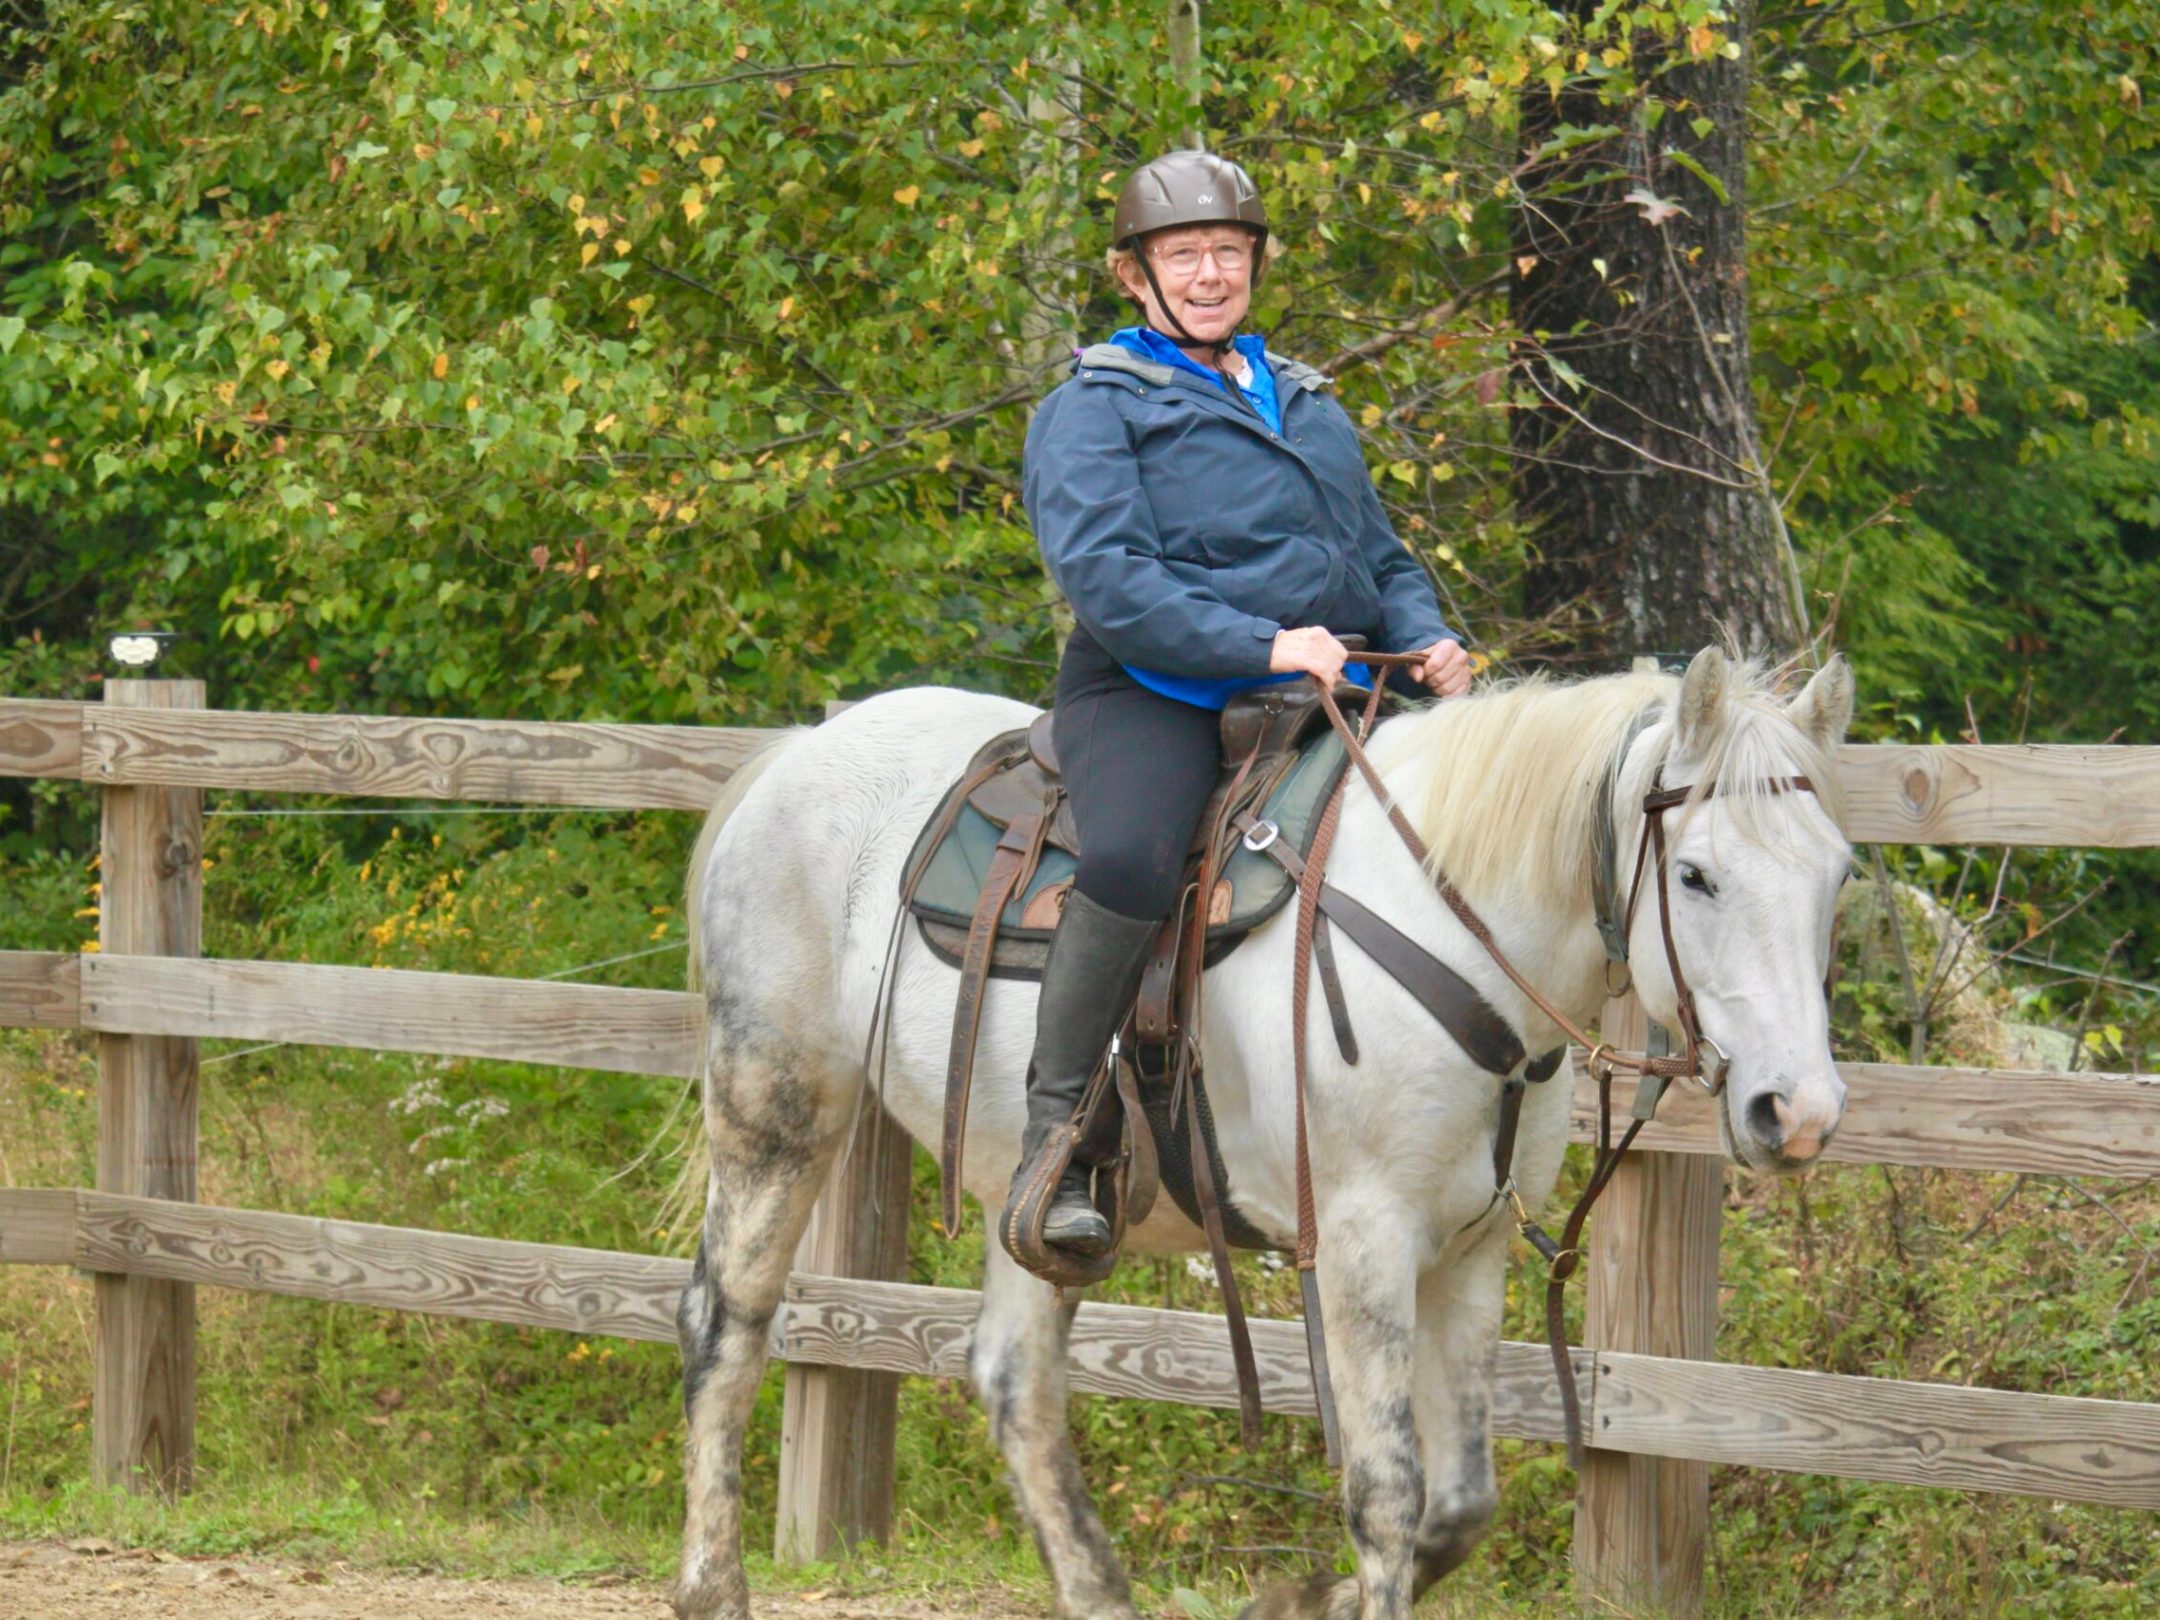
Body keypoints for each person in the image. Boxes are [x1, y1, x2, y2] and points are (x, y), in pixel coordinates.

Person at [1006, 150, 1473, 1268]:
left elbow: (1379, 556)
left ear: (1256, 262)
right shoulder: (1093, 408)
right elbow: (1108, 577)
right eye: (1184, 255)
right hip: (1155, 686)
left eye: (1228, 251)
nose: (1210, 273)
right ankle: (1058, 1142)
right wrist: (1260, 644)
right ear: (1135, 275)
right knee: (1130, 857)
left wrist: (1429, 636)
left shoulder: (1306, 401)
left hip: (1331, 683)